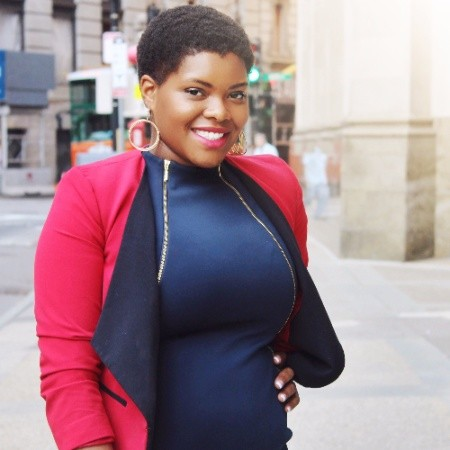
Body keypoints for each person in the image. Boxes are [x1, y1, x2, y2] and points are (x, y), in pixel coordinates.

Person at [35, 6, 344, 450]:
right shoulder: (91, 193)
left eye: (236, 94)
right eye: (196, 91)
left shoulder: (276, 184)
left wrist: (281, 363)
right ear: (150, 91)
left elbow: (283, 316)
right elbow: (67, 368)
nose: (219, 112)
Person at [302, 145, 330, 219]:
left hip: (321, 181)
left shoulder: (322, 157)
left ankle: (318, 214)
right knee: (309, 199)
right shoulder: (308, 157)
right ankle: (299, 208)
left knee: (323, 196)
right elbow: (304, 165)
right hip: (312, 182)